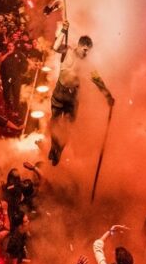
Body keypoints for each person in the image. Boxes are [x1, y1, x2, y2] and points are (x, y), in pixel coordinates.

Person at [48, 21, 115, 165]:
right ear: (79, 45)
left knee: (68, 126)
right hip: (60, 92)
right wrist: (63, 30)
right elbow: (54, 47)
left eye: (88, 51)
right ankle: (54, 145)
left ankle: (59, 150)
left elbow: (97, 80)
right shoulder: (68, 51)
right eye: (84, 49)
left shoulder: (88, 64)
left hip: (73, 98)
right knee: (54, 122)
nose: (86, 53)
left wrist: (107, 95)